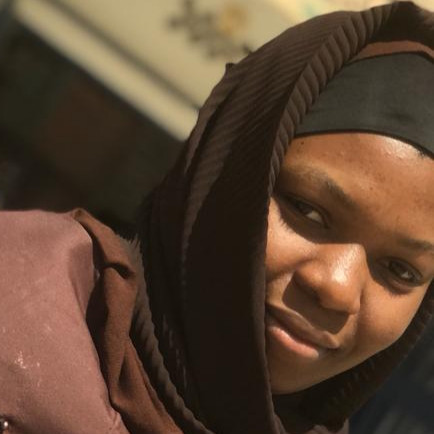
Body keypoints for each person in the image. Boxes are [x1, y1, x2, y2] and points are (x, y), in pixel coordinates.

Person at [0, 2, 433, 433]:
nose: (336, 287)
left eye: (401, 270)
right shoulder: (17, 316)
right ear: (224, 167)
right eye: (308, 210)